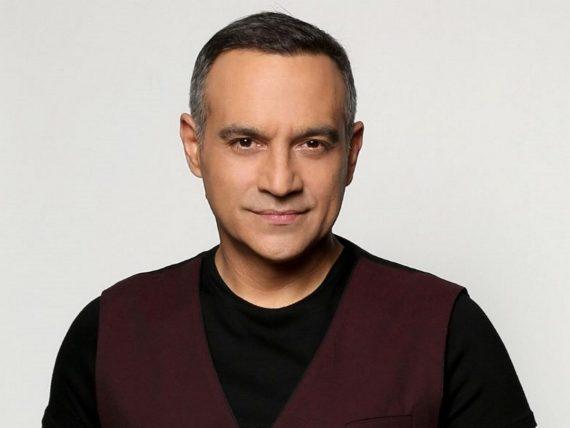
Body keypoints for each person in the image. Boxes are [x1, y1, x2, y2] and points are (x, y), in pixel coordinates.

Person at [42, 11, 537, 428]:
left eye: (311, 144)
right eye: (245, 142)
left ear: (351, 153)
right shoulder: (109, 336)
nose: (280, 181)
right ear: (194, 146)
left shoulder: (445, 330)